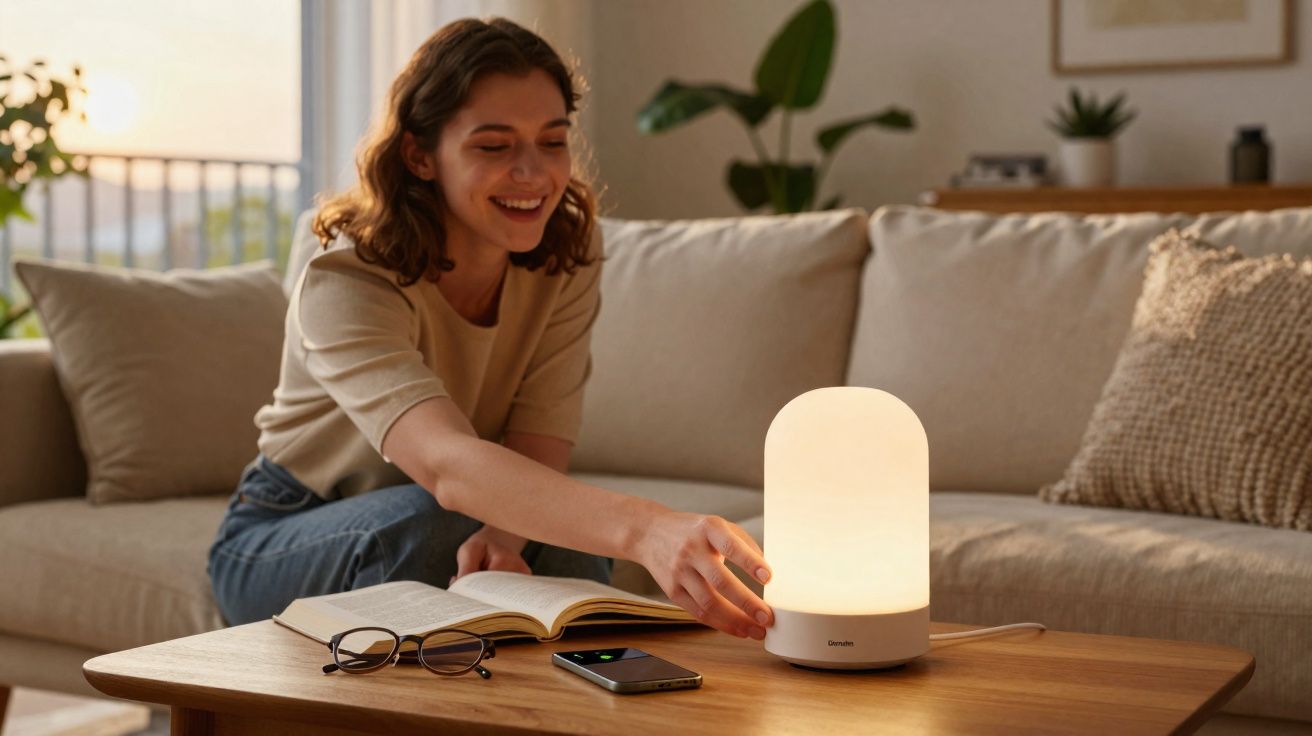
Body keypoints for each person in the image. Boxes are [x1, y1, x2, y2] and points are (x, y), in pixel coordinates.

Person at [208, 17, 774, 642]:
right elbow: (447, 467)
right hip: (285, 527)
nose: (534, 173)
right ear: (419, 156)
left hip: (447, 508)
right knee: (427, 529)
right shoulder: (346, 280)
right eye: (494, 146)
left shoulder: (566, 253)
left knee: (569, 552)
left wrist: (507, 535)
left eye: (552, 141)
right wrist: (647, 529)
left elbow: (540, 433)